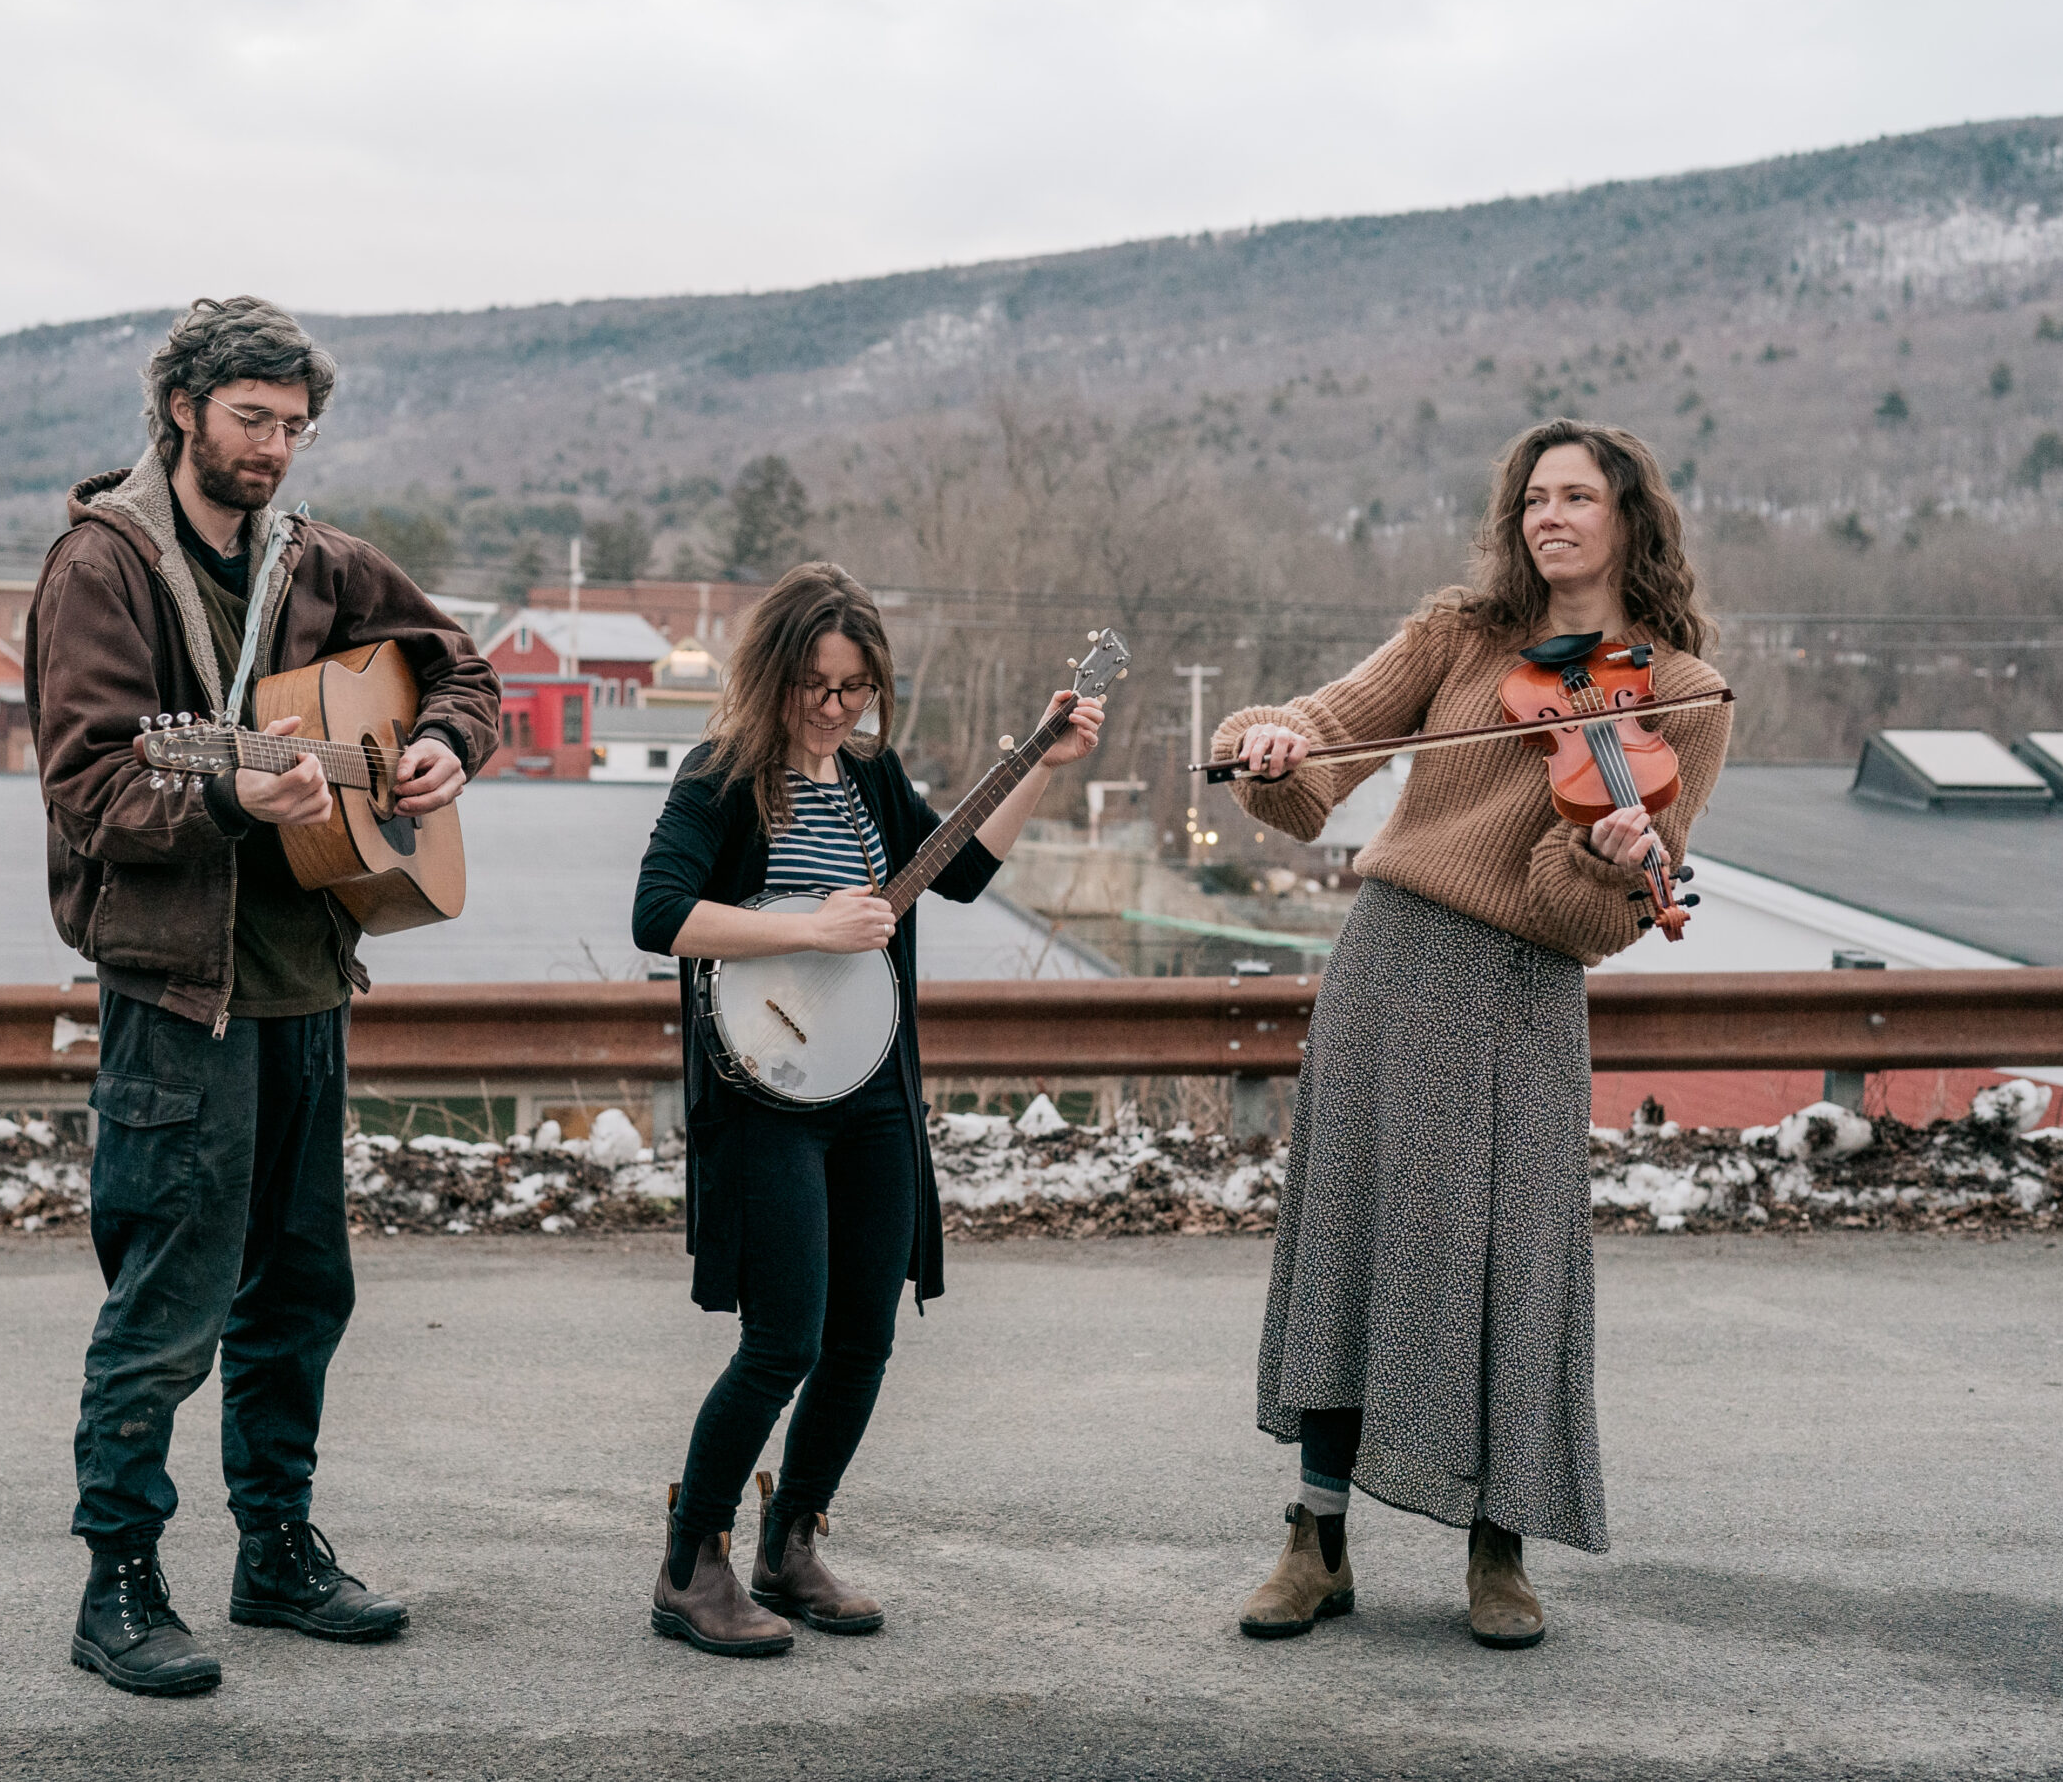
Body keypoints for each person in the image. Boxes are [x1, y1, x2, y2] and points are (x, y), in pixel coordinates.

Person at [26, 296, 500, 1696]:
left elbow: (461, 666)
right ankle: (117, 1583)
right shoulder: (102, 566)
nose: (275, 450)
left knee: (302, 1291)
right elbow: (97, 784)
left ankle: (276, 1551)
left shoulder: (314, 561)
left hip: (308, 986)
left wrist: (442, 747)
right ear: (182, 408)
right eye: (251, 421)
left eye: (294, 427)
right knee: (169, 1301)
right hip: (182, 993)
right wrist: (229, 793)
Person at [1216, 419, 1730, 1650]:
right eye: (1533, 498)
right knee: (1350, 1235)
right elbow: (1318, 752)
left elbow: (1581, 921)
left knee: (1505, 1261)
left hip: (1518, 992)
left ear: (1628, 518)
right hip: (1389, 961)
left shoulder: (1681, 695)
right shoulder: (1457, 635)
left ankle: (1497, 1546)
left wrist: (1603, 858)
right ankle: (1315, 1537)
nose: (1550, 516)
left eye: (1577, 497)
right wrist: (1269, 736)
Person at [630, 563, 1103, 1657]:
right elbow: (660, 915)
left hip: (875, 1088)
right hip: (765, 1097)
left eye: (854, 687)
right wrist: (807, 926)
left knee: (863, 1337)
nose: (835, 707)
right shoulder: (722, 777)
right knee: (781, 1341)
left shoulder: (870, 778)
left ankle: (788, 1541)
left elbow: (965, 872)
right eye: (814, 685)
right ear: (772, 676)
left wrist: (1040, 762)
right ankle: (688, 1561)